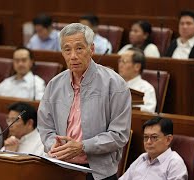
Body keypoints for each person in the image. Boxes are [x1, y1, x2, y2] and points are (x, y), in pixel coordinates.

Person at [38, 23, 131, 180]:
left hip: (97, 173)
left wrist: (82, 146)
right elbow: (45, 126)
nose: (73, 55)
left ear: (92, 49)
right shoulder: (54, 84)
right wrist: (52, 145)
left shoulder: (115, 84)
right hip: (60, 168)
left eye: (79, 48)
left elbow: (119, 134)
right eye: (67, 49)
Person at [119, 117, 188, 180]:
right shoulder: (142, 158)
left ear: (168, 139)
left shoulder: (174, 163)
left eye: (154, 137)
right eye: (146, 137)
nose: (148, 142)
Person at [165, 10, 194, 77]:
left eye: (188, 23)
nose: (184, 27)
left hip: (187, 80)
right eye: (181, 23)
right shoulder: (173, 43)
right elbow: (164, 64)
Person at [118, 47, 157, 112]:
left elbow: (148, 111)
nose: (120, 65)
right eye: (120, 61)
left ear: (137, 67)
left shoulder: (147, 88)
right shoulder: (114, 84)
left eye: (124, 61)